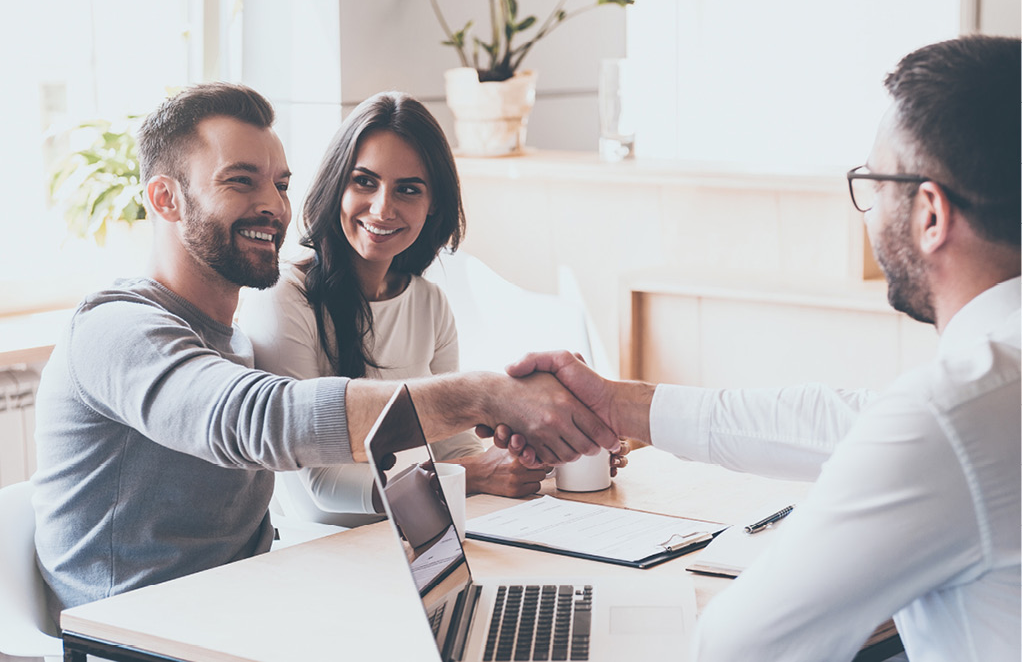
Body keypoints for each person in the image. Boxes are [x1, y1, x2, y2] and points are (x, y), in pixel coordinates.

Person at [497, 35, 1021, 661]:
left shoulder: (952, 416)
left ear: (930, 214)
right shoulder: (985, 391)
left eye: (875, 181)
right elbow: (850, 420)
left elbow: (737, 648)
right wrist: (618, 407)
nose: (868, 209)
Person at [30, 82, 619, 622]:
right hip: (141, 631)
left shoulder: (233, 336)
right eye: (241, 181)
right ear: (165, 199)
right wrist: (488, 394)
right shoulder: (116, 329)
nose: (274, 207)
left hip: (254, 602)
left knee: (523, 618)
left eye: (280, 184)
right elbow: (260, 420)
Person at [239, 91, 617, 526]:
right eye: (365, 181)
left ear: (432, 203)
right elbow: (322, 487)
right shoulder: (283, 299)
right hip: (328, 558)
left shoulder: (428, 302)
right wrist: (471, 476)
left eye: (408, 189)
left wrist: (531, 457)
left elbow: (452, 448)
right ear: (335, 183)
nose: (383, 208)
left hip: (423, 540)